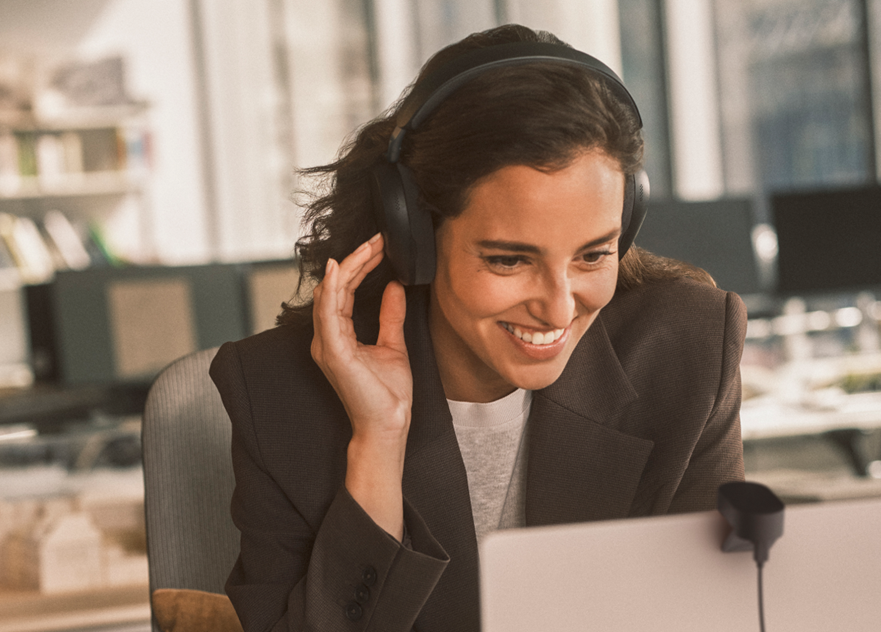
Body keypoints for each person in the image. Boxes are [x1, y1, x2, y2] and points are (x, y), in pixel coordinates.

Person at [210, 24, 746, 632]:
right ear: (415, 235)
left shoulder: (687, 350)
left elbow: (714, 614)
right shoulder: (275, 395)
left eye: (594, 255)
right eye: (509, 260)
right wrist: (378, 444)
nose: (558, 307)